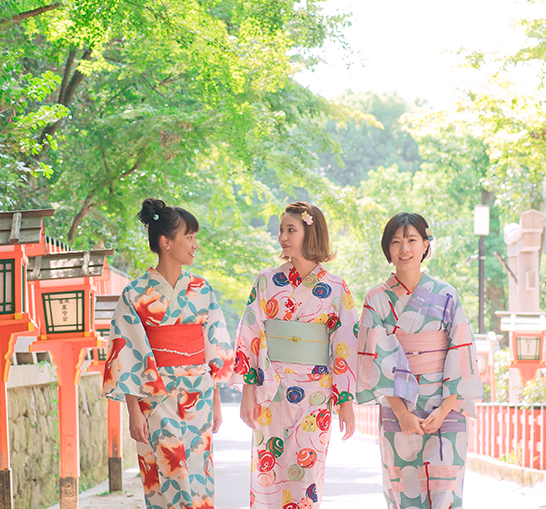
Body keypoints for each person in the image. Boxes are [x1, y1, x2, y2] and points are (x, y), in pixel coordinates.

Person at [103, 198, 235, 509]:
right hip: (155, 395)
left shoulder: (203, 290)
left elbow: (215, 343)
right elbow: (127, 352)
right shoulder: (135, 293)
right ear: (166, 242)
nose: (194, 246)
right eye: (189, 237)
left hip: (199, 393)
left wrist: (216, 399)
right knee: (166, 472)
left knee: (199, 475)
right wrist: (133, 411)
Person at [234, 201, 359, 509]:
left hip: (315, 392)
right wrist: (248, 392)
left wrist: (345, 402)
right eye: (281, 230)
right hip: (270, 387)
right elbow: (249, 335)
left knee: (306, 475)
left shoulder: (335, 288)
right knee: (268, 471)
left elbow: (345, 346)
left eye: (291, 230)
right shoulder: (267, 280)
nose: (283, 237)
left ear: (311, 233)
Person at [356, 212, 483, 509]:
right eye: (397, 242)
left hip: (446, 406)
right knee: (403, 491)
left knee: (446, 493)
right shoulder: (376, 300)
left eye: (412, 240)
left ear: (425, 245)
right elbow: (376, 361)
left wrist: (445, 407)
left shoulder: (447, 295)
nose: (405, 249)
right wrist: (402, 413)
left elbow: (461, 351)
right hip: (399, 409)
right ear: (387, 249)